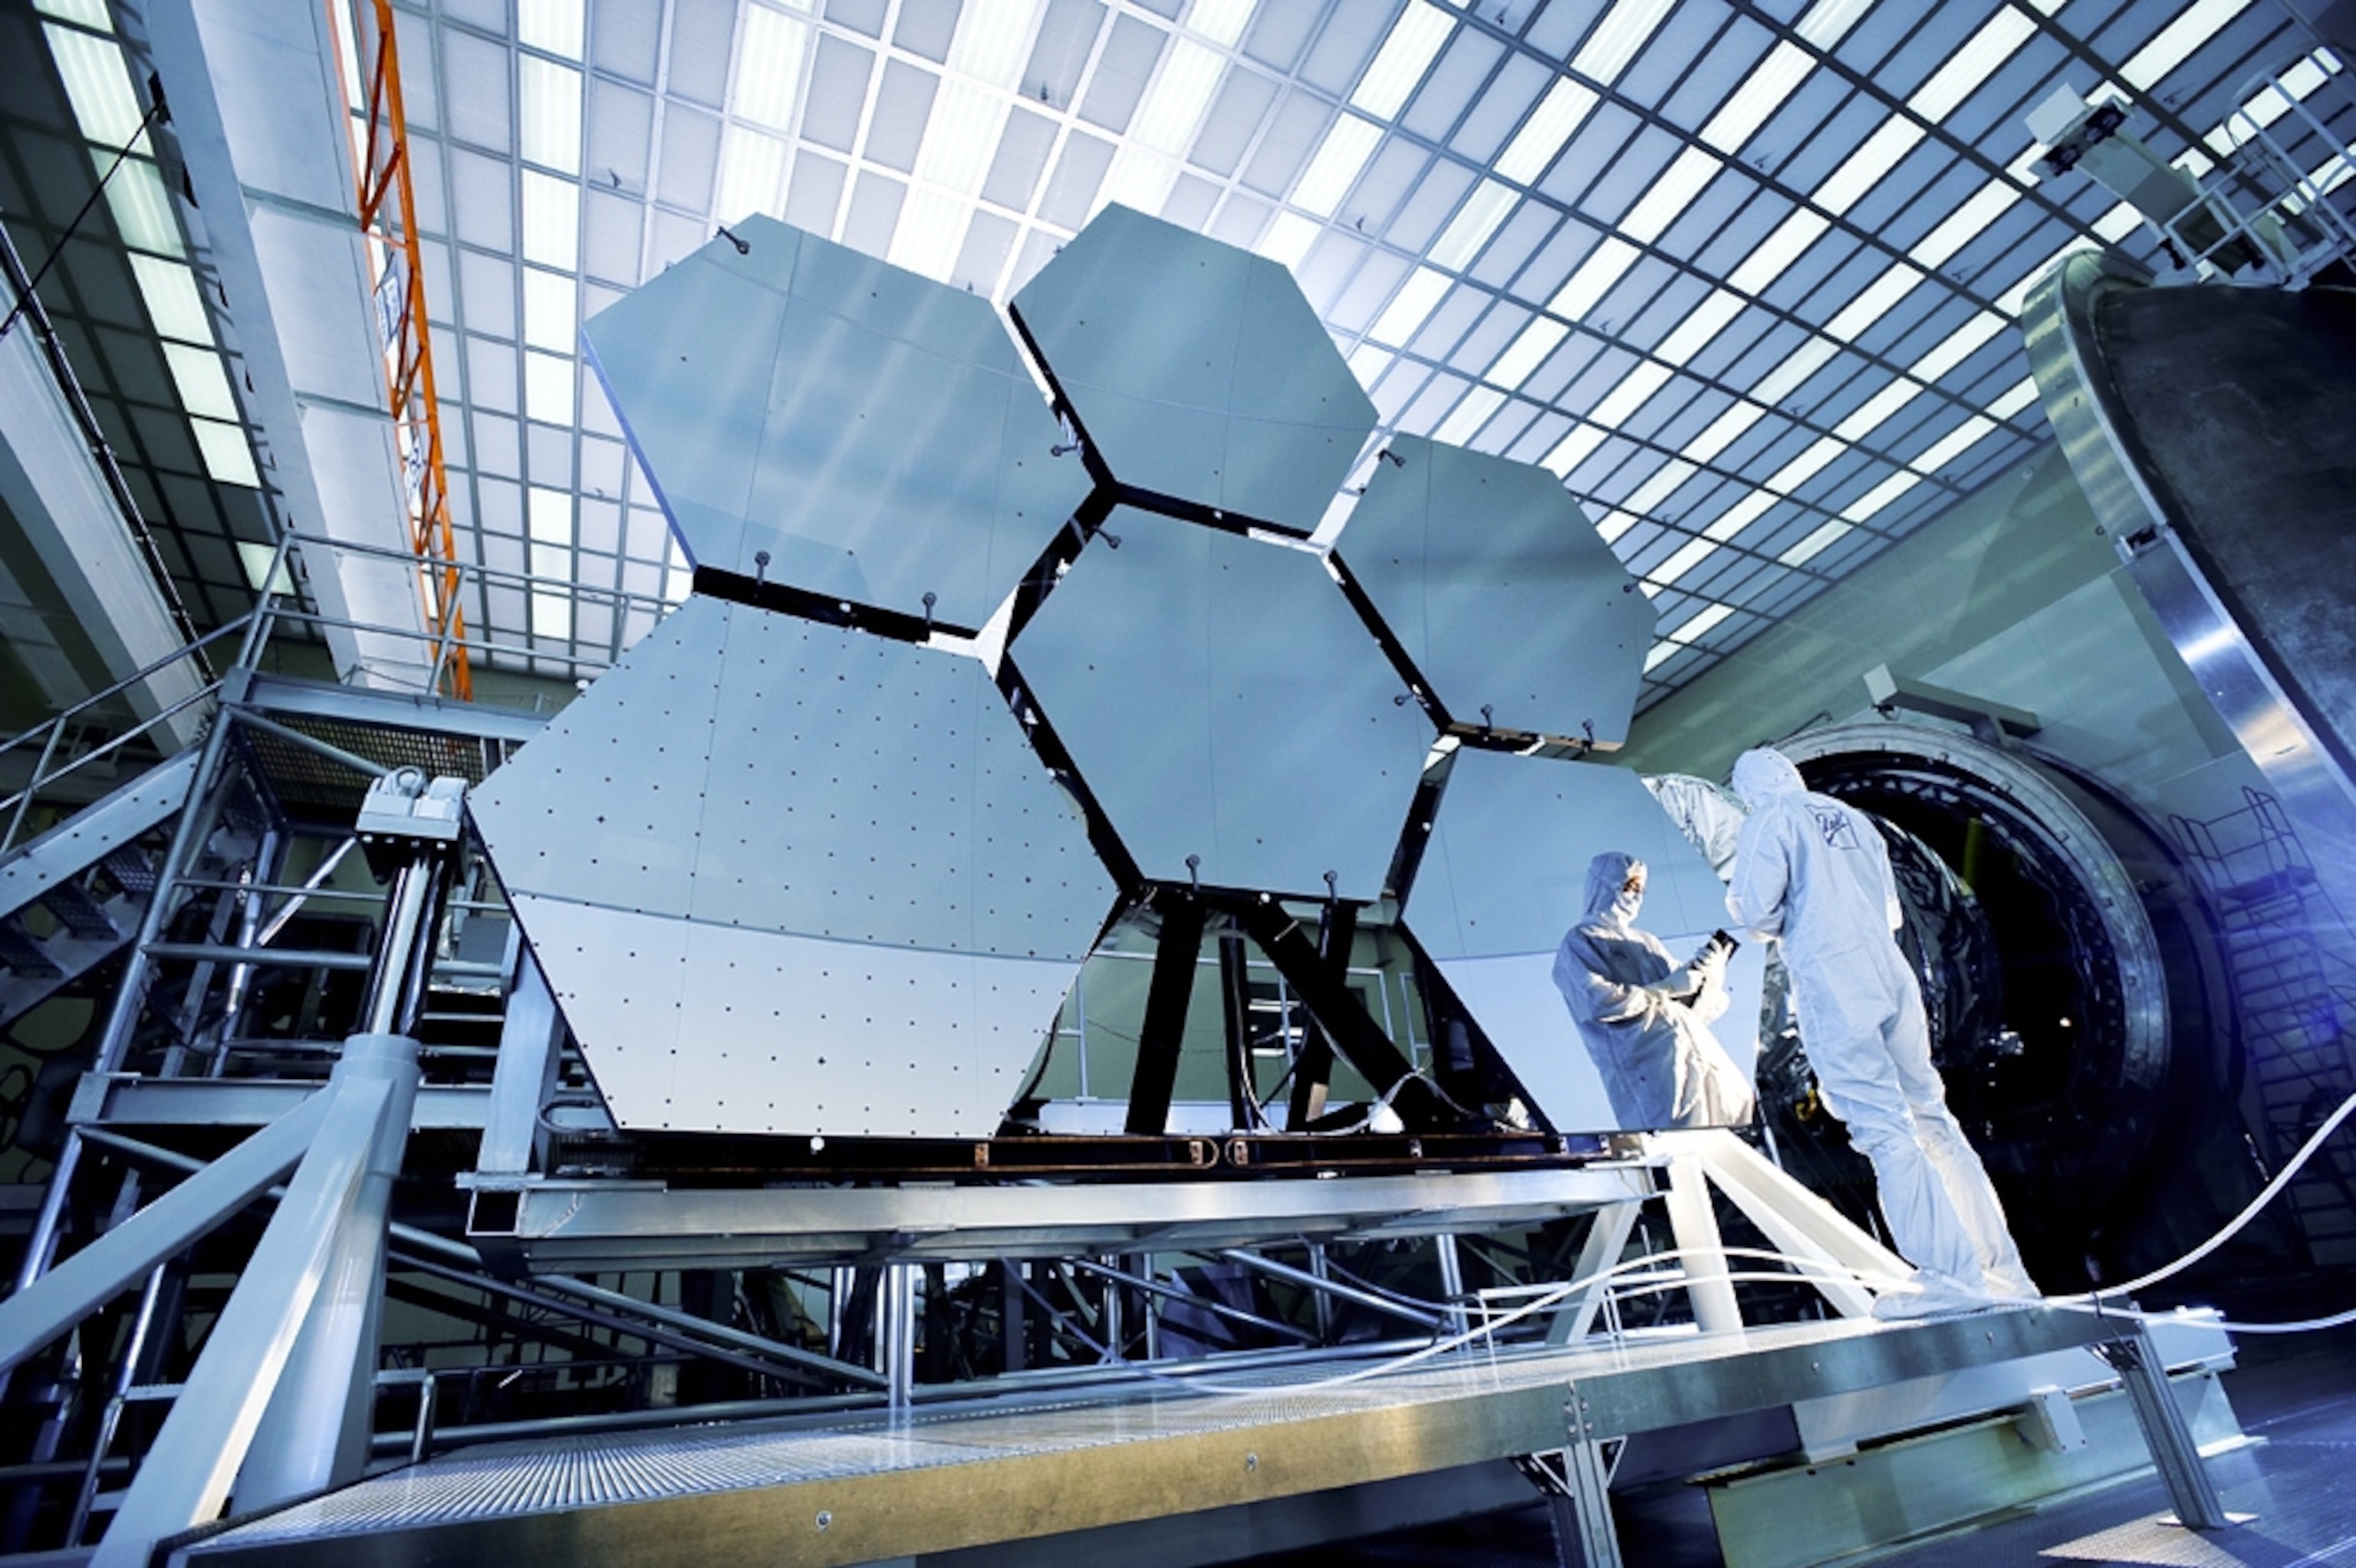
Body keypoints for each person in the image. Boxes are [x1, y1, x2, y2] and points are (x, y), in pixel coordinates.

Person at [1724, 746, 2037, 1315]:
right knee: (1935, 1122)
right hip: (1892, 974)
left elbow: (1750, 913)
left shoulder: (1771, 818)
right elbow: (1892, 913)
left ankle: (1949, 1277)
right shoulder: (1854, 820)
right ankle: (2005, 1275)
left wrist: (1778, 924)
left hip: (1834, 975)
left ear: (1751, 789)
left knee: (1884, 1129)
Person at [1554, 852, 1755, 1131]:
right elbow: (1597, 1002)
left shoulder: (1647, 942)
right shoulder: (1580, 942)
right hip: (1651, 1070)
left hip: (1695, 1051)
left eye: (1640, 890)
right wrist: (1666, 987)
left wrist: (1709, 974)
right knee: (1680, 1146)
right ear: (1604, 885)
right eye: (1628, 887)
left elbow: (1693, 1009)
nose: (1635, 896)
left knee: (1738, 1117)